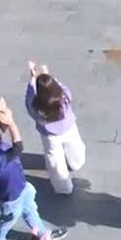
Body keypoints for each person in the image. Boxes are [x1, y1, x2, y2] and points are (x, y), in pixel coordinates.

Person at [0, 98, 67, 240]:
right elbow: (18, 146)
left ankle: (42, 233)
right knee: (7, 221)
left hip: (22, 188)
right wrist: (11, 124)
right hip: (10, 198)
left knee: (31, 211)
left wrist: (2, 111)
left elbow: (0, 128)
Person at [24, 61, 87, 195]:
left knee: (55, 160)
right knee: (75, 146)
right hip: (69, 127)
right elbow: (59, 86)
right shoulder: (63, 97)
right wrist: (47, 75)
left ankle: (63, 187)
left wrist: (32, 77)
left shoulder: (36, 105)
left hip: (50, 135)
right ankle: (76, 162)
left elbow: (29, 100)